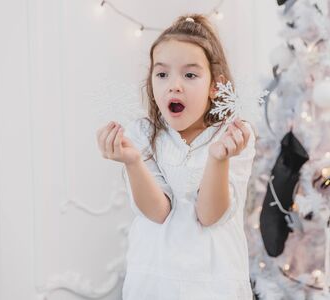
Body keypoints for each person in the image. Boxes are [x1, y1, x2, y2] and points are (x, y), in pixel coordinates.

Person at [96, 13, 256, 299]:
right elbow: (158, 212)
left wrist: (218, 159)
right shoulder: (143, 134)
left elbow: (209, 216)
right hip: (155, 280)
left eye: (190, 74)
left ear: (214, 86)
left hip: (214, 282)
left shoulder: (232, 135)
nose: (174, 85)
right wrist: (133, 162)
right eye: (162, 74)